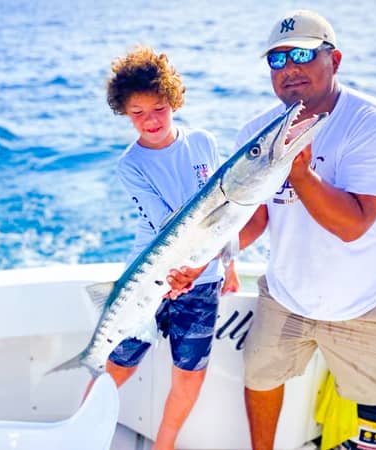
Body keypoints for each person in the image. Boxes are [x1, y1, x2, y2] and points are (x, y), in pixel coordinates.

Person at [168, 9, 376, 450]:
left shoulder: (374, 125)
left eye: (303, 54)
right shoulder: (258, 132)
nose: (289, 69)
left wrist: (302, 176)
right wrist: (202, 259)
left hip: (370, 299)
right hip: (288, 295)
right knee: (260, 376)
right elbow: (253, 217)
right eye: (277, 60)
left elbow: (354, 225)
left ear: (336, 59)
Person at [92, 45, 238, 450]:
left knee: (189, 372)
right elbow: (165, 224)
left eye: (157, 108)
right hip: (148, 277)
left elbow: (224, 211)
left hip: (203, 279)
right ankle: (80, 434)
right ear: (124, 113)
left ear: (172, 100)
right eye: (137, 113)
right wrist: (177, 273)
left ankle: (165, 445)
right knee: (117, 365)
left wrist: (228, 264)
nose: (150, 121)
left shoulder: (204, 143)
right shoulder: (131, 165)